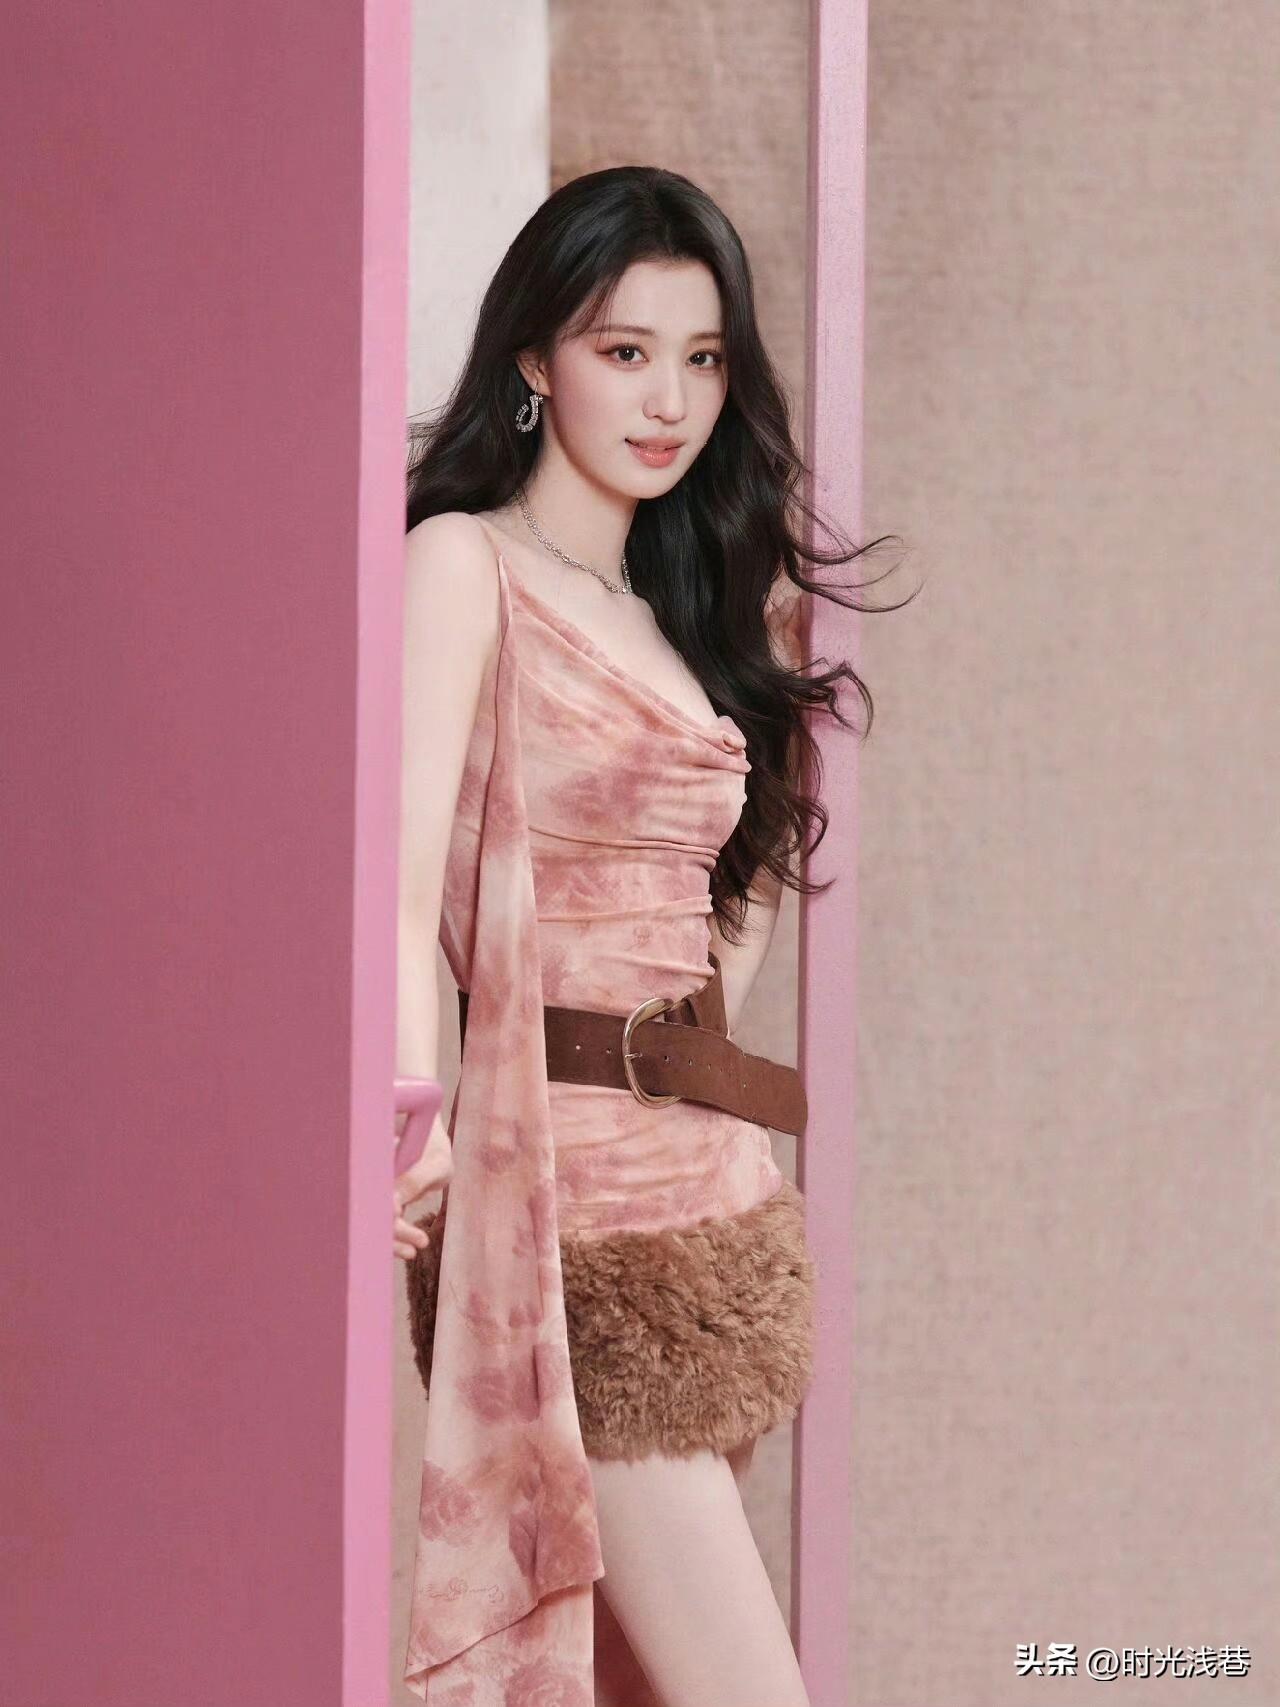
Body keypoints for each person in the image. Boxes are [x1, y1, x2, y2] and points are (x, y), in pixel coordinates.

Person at [393, 164, 901, 1707]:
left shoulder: (686, 616)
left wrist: (764, 713)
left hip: (714, 1206)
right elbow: (401, 888)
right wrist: (411, 1126)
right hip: (558, 1208)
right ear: (535, 361)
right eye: (625, 352)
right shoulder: (463, 563)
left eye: (702, 358)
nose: (669, 400)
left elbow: (714, 939)